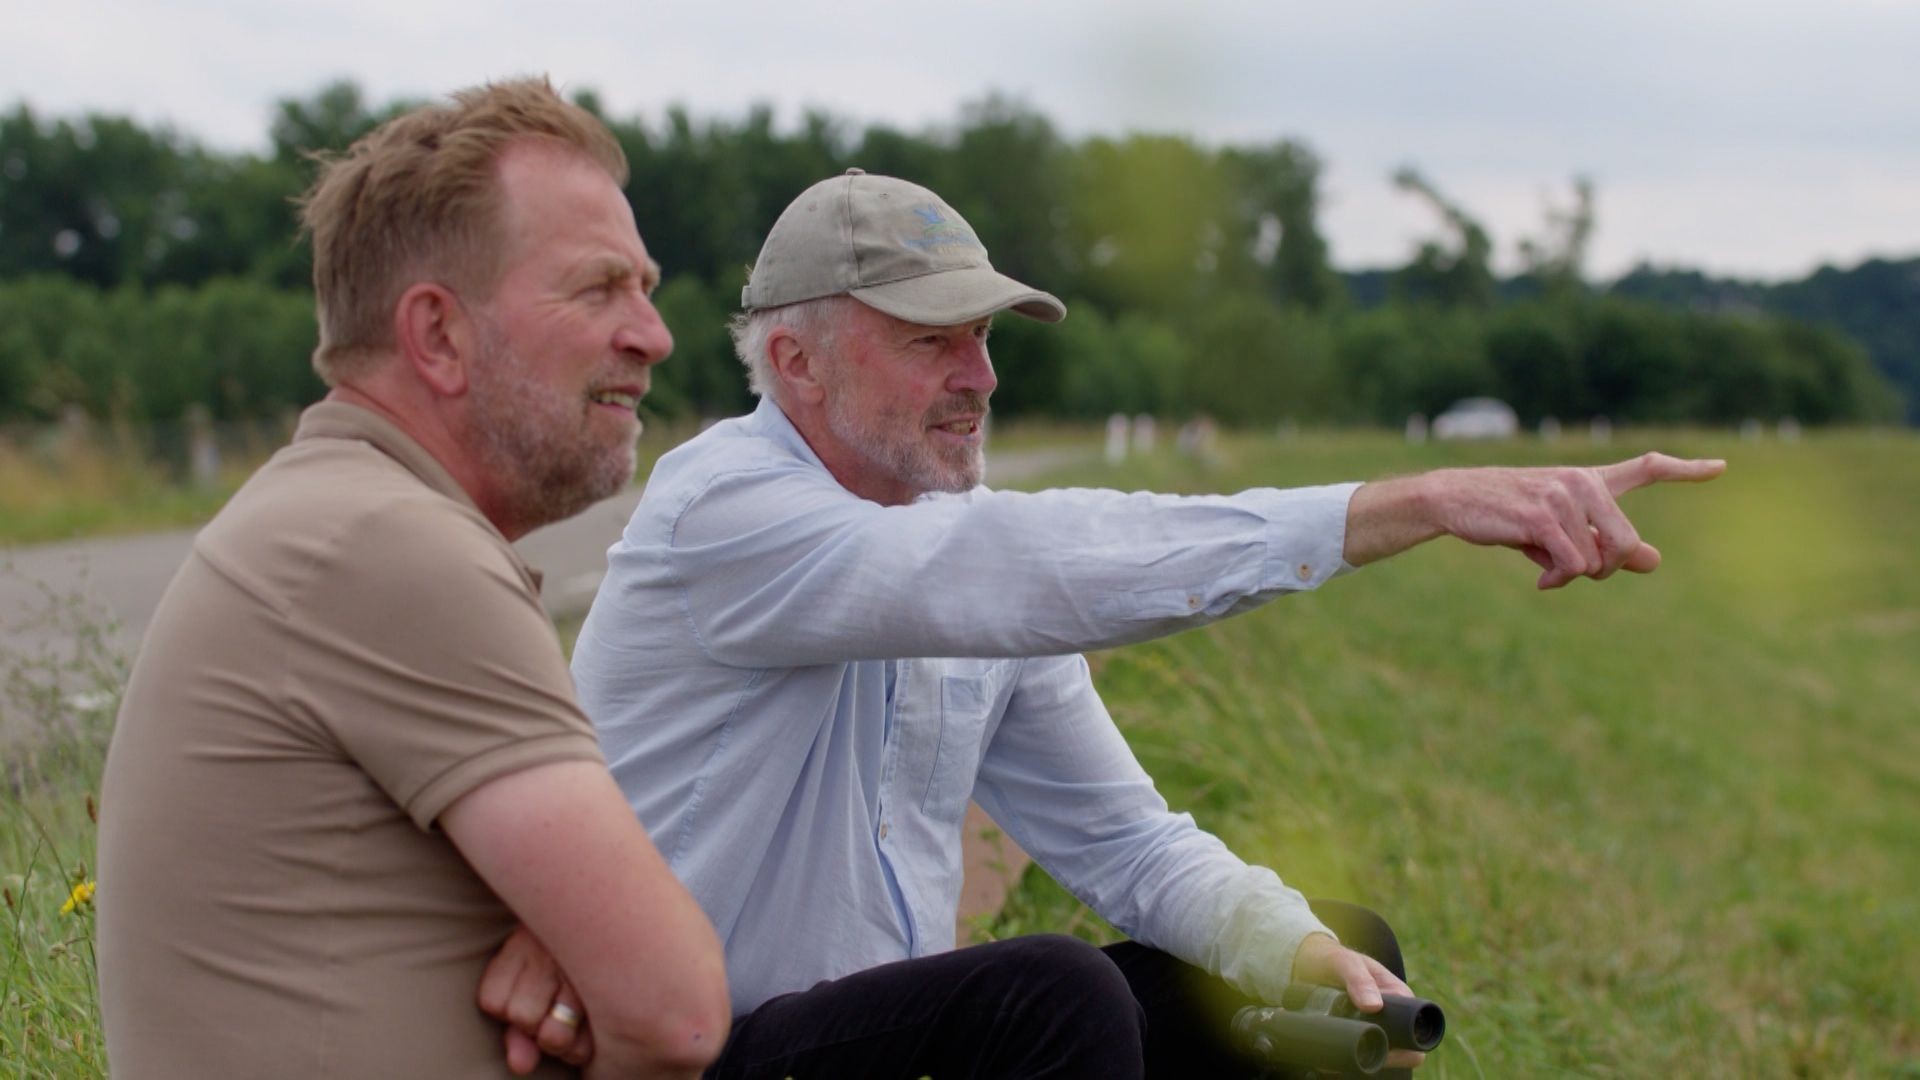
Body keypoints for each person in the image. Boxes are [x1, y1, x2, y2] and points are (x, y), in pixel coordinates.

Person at [511, 170, 1724, 1078]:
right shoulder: (727, 512)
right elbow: (1003, 567)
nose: (981, 379)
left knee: (1339, 961)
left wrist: (1292, 950)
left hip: (882, 1035)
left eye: (984, 339)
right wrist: (1409, 502)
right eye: (934, 340)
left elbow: (1128, 846)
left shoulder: (954, 540)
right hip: (693, 1053)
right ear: (798, 362)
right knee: (1056, 994)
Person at [94, 78, 730, 1079]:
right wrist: (606, 965)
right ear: (437, 334)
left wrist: (572, 942)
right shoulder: (387, 545)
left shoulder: (340, 512)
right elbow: (677, 1018)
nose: (653, 335)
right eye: (600, 288)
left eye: (645, 289)